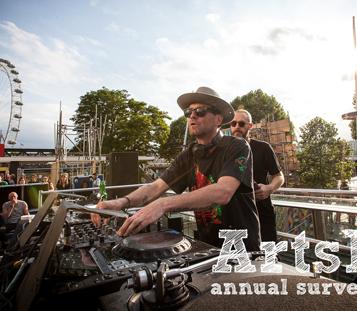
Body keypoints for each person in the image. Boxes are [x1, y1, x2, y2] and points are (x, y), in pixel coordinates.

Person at [91, 87, 261, 251]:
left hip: (242, 246)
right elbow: (156, 187)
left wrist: (163, 204)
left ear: (218, 119)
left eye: (200, 111)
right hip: (208, 247)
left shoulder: (237, 146)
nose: (192, 116)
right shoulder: (188, 154)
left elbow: (223, 192)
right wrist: (120, 203)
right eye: (189, 112)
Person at [229, 109, 284, 242]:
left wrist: (269, 189)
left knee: (267, 256)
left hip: (262, 214)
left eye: (241, 124)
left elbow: (279, 176)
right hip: (234, 215)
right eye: (233, 123)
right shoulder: (225, 150)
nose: (237, 127)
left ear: (250, 126)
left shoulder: (263, 148)